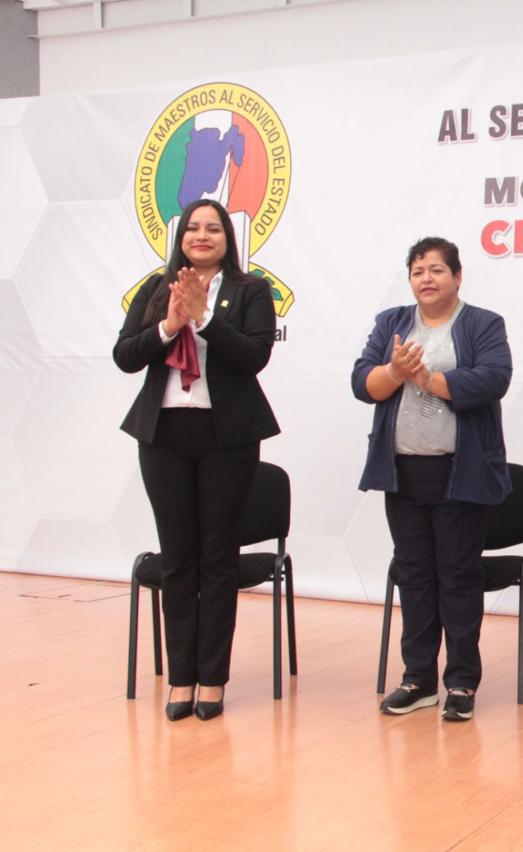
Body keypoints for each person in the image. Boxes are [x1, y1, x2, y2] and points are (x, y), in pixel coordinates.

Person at [113, 198, 280, 722]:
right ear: (180, 237)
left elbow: (254, 357)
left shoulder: (251, 290)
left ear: (228, 239)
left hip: (227, 437)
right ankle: (180, 677)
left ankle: (212, 679)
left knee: (218, 558)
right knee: (178, 558)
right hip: (163, 435)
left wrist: (203, 318)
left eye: (213, 228)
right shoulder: (156, 288)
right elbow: (125, 356)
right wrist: (168, 324)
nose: (202, 236)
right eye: (193, 228)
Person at [353, 236, 512, 722]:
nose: (427, 278)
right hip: (403, 472)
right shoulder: (392, 323)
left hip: (460, 473)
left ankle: (461, 682)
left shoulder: (483, 323)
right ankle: (418, 679)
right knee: (415, 577)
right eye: (418, 270)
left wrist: (429, 380)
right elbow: (363, 383)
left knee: (458, 577)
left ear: (457, 277)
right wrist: (395, 371)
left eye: (437, 269)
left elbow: (494, 378)